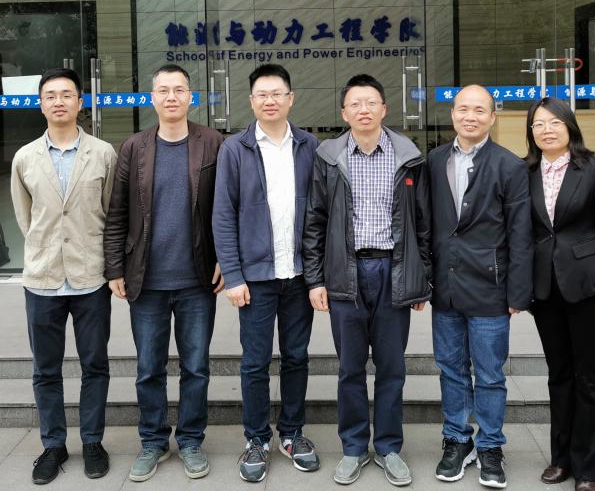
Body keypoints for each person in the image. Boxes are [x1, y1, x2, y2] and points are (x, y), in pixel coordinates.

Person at [302, 73, 432, 488]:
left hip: (393, 271)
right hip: (346, 271)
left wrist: (421, 279)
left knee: (392, 367)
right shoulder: (329, 158)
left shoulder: (408, 157)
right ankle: (354, 447)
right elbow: (314, 221)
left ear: (383, 109)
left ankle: (390, 447)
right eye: (355, 104)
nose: (363, 110)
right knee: (350, 368)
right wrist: (315, 280)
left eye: (371, 102)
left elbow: (423, 224)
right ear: (344, 113)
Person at [103, 64, 225, 482]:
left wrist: (226, 259)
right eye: (163, 90)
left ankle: (190, 440)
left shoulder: (213, 143)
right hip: (147, 280)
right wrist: (114, 267)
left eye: (179, 90)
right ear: (152, 97)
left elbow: (227, 208)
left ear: (191, 96)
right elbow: (117, 213)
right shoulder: (134, 147)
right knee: (148, 368)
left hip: (197, 281)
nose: (171, 97)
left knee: (196, 367)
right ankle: (153, 441)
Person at [213, 64, 321, 483]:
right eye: (262, 94)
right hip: (255, 278)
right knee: (255, 362)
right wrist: (233, 275)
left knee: (296, 357)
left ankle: (291, 433)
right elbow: (223, 216)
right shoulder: (235, 149)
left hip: (298, 275)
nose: (270, 100)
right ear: (251, 101)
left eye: (277, 93)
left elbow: (320, 213)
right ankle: (256, 438)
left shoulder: (310, 146)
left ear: (291, 98)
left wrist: (318, 275)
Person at [10, 67, 118, 485]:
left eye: (66, 94)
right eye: (50, 95)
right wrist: (48, 248)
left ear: (80, 102)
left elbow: (109, 213)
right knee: (45, 369)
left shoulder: (103, 154)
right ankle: (53, 445)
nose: (59, 101)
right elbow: (26, 219)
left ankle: (92, 442)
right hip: (43, 279)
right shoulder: (25, 158)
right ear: (41, 104)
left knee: (95, 364)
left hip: (91, 277)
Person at [427, 84, 533, 489]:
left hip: (491, 288)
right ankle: (457, 440)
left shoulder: (510, 165)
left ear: (492, 117)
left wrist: (518, 292)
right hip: (446, 287)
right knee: (450, 369)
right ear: (452, 113)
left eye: (478, 110)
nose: (469, 116)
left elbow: (520, 234)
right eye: (463, 109)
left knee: (489, 374)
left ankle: (490, 446)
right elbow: (428, 224)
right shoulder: (434, 160)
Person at [524, 97, 595, 491]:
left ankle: (587, 469)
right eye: (538, 124)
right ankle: (561, 459)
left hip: (588, 288)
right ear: (531, 132)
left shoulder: (594, 167)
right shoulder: (525, 171)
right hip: (545, 290)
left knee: (590, 378)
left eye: (554, 122)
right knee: (559, 375)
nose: (546, 130)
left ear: (569, 125)